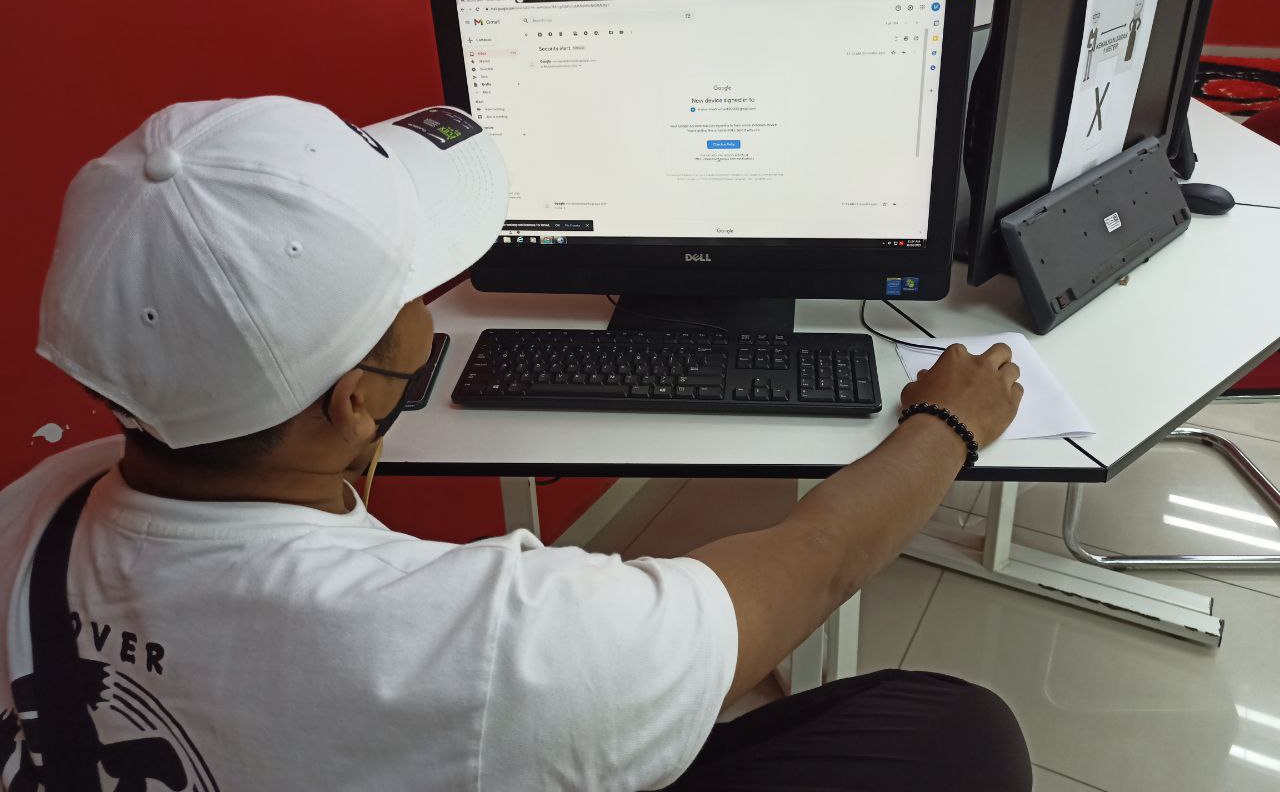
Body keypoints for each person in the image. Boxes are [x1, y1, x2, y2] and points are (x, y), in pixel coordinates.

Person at [1, 96, 1030, 791]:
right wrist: (950, 423)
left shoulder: (30, 512)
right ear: (352, 403)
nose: (430, 314)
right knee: (953, 732)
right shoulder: (484, 646)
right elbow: (814, 561)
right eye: (413, 294)